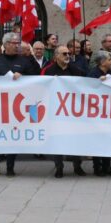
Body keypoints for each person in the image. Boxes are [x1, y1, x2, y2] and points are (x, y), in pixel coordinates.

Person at [0, 33, 36, 177]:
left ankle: (10, 166)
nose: (17, 45)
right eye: (14, 42)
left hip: (17, 106)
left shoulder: (24, 61)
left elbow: (35, 78)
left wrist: (23, 77)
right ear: (6, 44)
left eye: (18, 43)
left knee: (12, 136)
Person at [43, 45, 87, 178]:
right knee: (57, 139)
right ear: (56, 56)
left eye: (68, 53)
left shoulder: (75, 70)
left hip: (73, 112)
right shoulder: (49, 71)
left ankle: (77, 165)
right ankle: (59, 166)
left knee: (75, 139)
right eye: (64, 54)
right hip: (56, 112)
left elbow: (85, 84)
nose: (68, 56)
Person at [87, 51, 111, 177]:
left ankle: (107, 166)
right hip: (96, 113)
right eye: (109, 59)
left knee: (107, 140)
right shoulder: (93, 74)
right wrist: (97, 81)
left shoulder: (109, 73)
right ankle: (97, 167)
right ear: (102, 62)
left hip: (107, 112)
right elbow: (88, 89)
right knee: (98, 140)